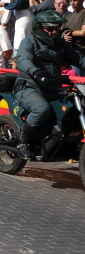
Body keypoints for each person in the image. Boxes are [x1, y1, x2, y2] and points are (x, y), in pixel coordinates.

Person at [13, 10, 85, 160]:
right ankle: (24, 143)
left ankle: (66, 144)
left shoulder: (60, 44)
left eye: (57, 28)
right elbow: (23, 60)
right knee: (41, 108)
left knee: (73, 106)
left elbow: (79, 60)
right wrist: (35, 71)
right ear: (39, 28)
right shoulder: (29, 42)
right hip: (29, 87)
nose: (55, 32)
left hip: (53, 88)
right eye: (50, 28)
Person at [64, 0, 85, 76]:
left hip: (82, 53)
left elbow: (83, 32)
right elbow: (62, 32)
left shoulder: (84, 14)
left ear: (82, 0)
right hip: (71, 53)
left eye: (75, 0)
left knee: (80, 81)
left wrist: (70, 33)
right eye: (70, 1)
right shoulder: (69, 16)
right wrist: (64, 35)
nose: (72, 3)